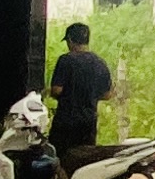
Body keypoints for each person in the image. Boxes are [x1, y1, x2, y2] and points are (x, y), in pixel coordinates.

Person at [49, 22, 115, 160]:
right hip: (88, 122)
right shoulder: (100, 63)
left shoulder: (66, 60)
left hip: (66, 121)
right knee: (84, 158)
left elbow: (57, 90)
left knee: (59, 158)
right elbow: (107, 94)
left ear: (70, 40)